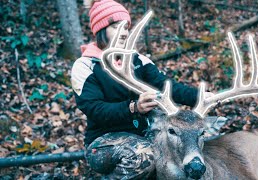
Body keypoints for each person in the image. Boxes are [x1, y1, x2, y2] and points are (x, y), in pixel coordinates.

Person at [71, 0, 201, 179]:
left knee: (182, 146)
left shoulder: (138, 61)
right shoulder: (85, 66)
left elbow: (167, 87)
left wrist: (200, 97)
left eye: (126, 27)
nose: (123, 32)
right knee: (143, 157)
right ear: (101, 30)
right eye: (116, 27)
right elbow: (94, 109)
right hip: (102, 142)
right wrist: (133, 108)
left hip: (144, 133)